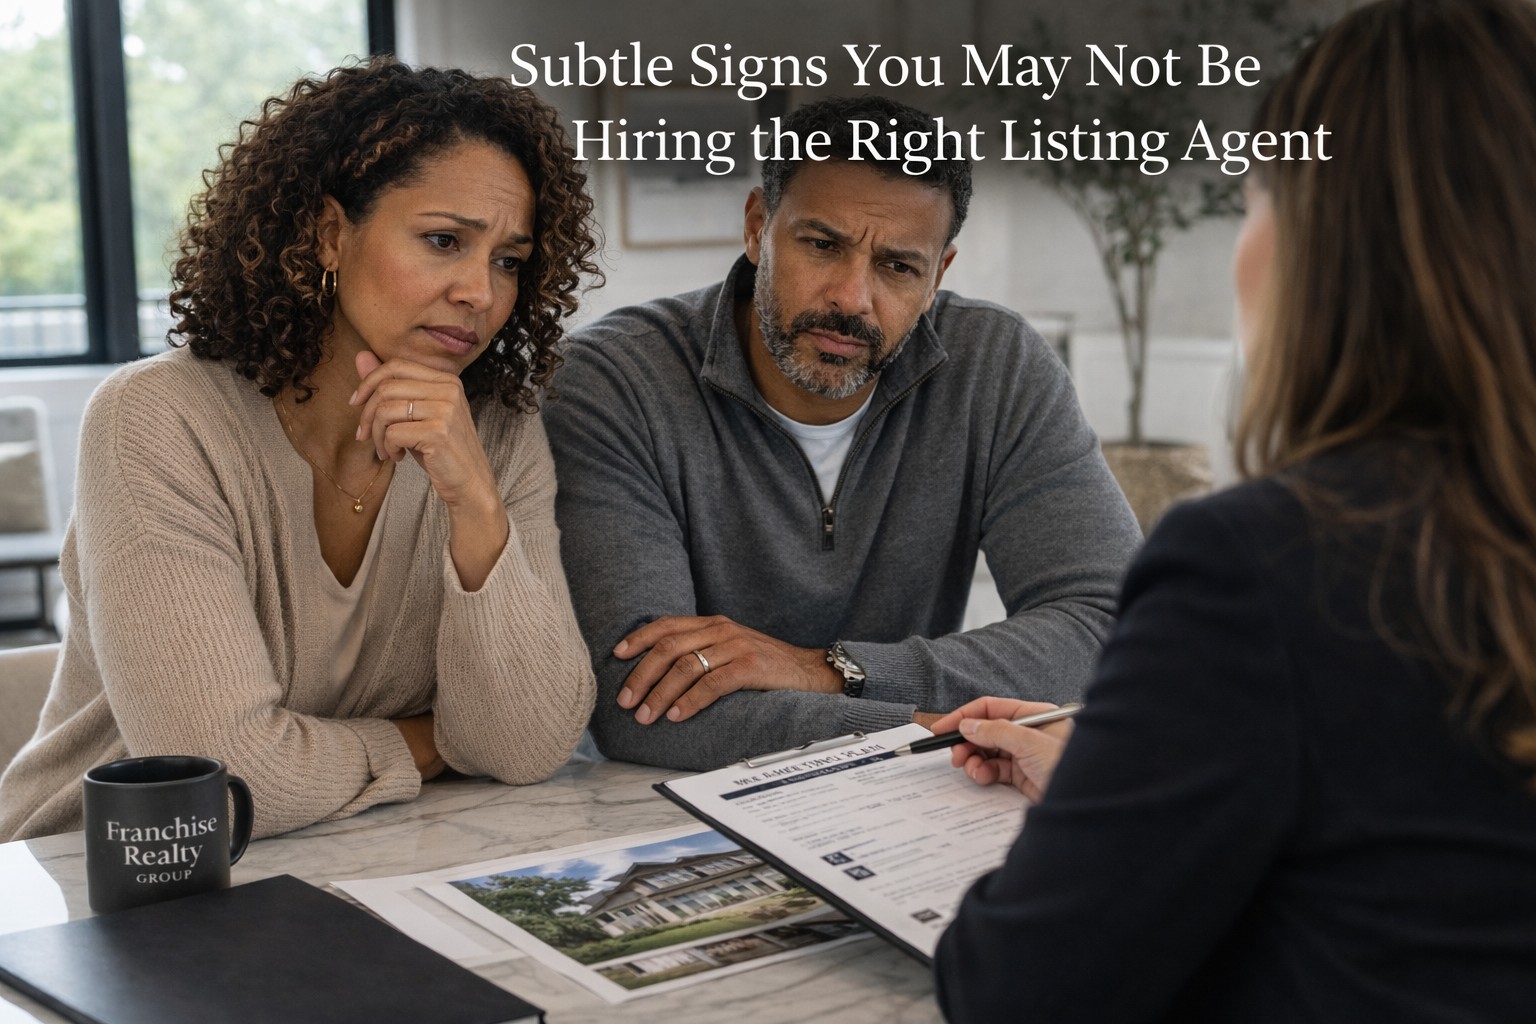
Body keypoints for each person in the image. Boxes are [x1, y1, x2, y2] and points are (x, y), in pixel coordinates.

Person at [931, 1, 1536, 1019]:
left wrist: (1101, 818)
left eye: (1253, 200)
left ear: (1325, 249)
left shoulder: (1264, 562)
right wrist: (1145, 774)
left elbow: (1012, 987)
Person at [0, 59, 601, 841]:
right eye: (443, 240)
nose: (479, 293)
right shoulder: (158, 420)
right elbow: (219, 783)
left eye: (508, 261)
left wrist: (475, 503)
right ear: (327, 235)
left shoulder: (497, 431)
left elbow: (528, 746)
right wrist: (433, 740)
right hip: (93, 882)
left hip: (355, 855)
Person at [545, 95, 1142, 771]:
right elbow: (643, 709)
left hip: (909, 808)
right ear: (757, 227)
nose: (852, 298)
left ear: (938, 273)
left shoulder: (996, 367)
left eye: (897, 266)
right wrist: (937, 733)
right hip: (659, 813)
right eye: (822, 245)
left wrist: (833, 669)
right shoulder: (615, 381)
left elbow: (1116, 627)